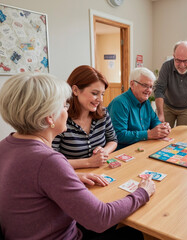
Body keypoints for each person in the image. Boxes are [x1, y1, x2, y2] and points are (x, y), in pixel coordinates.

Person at [0, 72, 155, 239]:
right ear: (49, 118)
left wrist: (70, 175)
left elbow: (31, 184)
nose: (67, 110)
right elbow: (101, 218)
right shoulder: (48, 161)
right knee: (134, 233)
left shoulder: (5, 145)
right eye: (64, 106)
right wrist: (142, 193)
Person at [52, 65, 118, 169]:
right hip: (72, 175)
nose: (100, 99)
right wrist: (89, 162)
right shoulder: (61, 118)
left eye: (102, 94)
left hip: (99, 171)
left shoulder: (103, 113)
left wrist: (104, 152)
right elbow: (52, 160)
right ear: (75, 90)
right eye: (95, 93)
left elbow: (113, 140)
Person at [108, 67, 171, 149]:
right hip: (123, 151)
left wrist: (162, 128)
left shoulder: (146, 102)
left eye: (151, 87)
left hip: (140, 147)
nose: (149, 90)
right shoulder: (120, 103)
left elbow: (155, 121)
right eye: (145, 85)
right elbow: (119, 135)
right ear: (132, 84)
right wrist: (148, 134)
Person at [154, 40, 187, 128]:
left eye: (186, 61)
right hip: (168, 106)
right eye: (178, 61)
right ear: (173, 56)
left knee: (182, 136)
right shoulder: (166, 66)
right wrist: (160, 114)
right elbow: (159, 89)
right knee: (164, 133)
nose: (182, 65)